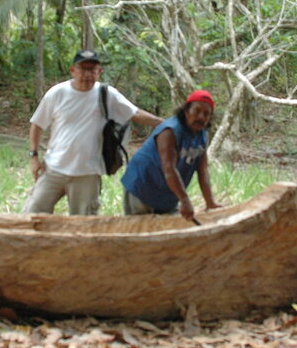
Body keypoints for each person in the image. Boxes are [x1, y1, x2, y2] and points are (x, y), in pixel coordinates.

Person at [22, 49, 162, 215]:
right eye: (83, 69)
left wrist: (167, 123)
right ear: (73, 70)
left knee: (85, 224)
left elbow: (135, 113)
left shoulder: (106, 95)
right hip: (54, 168)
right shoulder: (57, 93)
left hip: (87, 174)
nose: (87, 74)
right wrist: (34, 157)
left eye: (92, 70)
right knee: (32, 213)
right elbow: (37, 124)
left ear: (99, 72)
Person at [121, 89, 222, 221]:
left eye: (206, 114)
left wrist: (210, 202)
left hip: (166, 193)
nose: (201, 117)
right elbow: (169, 169)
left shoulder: (202, 135)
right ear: (186, 111)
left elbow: (202, 171)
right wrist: (185, 201)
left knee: (165, 233)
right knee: (140, 231)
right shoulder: (170, 130)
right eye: (197, 111)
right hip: (142, 185)